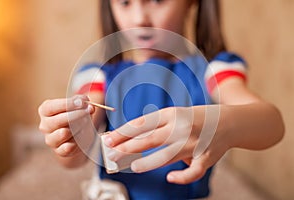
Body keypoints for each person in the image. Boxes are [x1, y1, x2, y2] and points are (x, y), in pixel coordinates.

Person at [38, 0, 285, 199]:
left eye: (157, 0)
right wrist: (67, 137)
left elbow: (272, 123)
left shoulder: (214, 69)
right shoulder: (99, 75)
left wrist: (219, 123)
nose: (139, 19)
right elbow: (74, 159)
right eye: (124, 2)